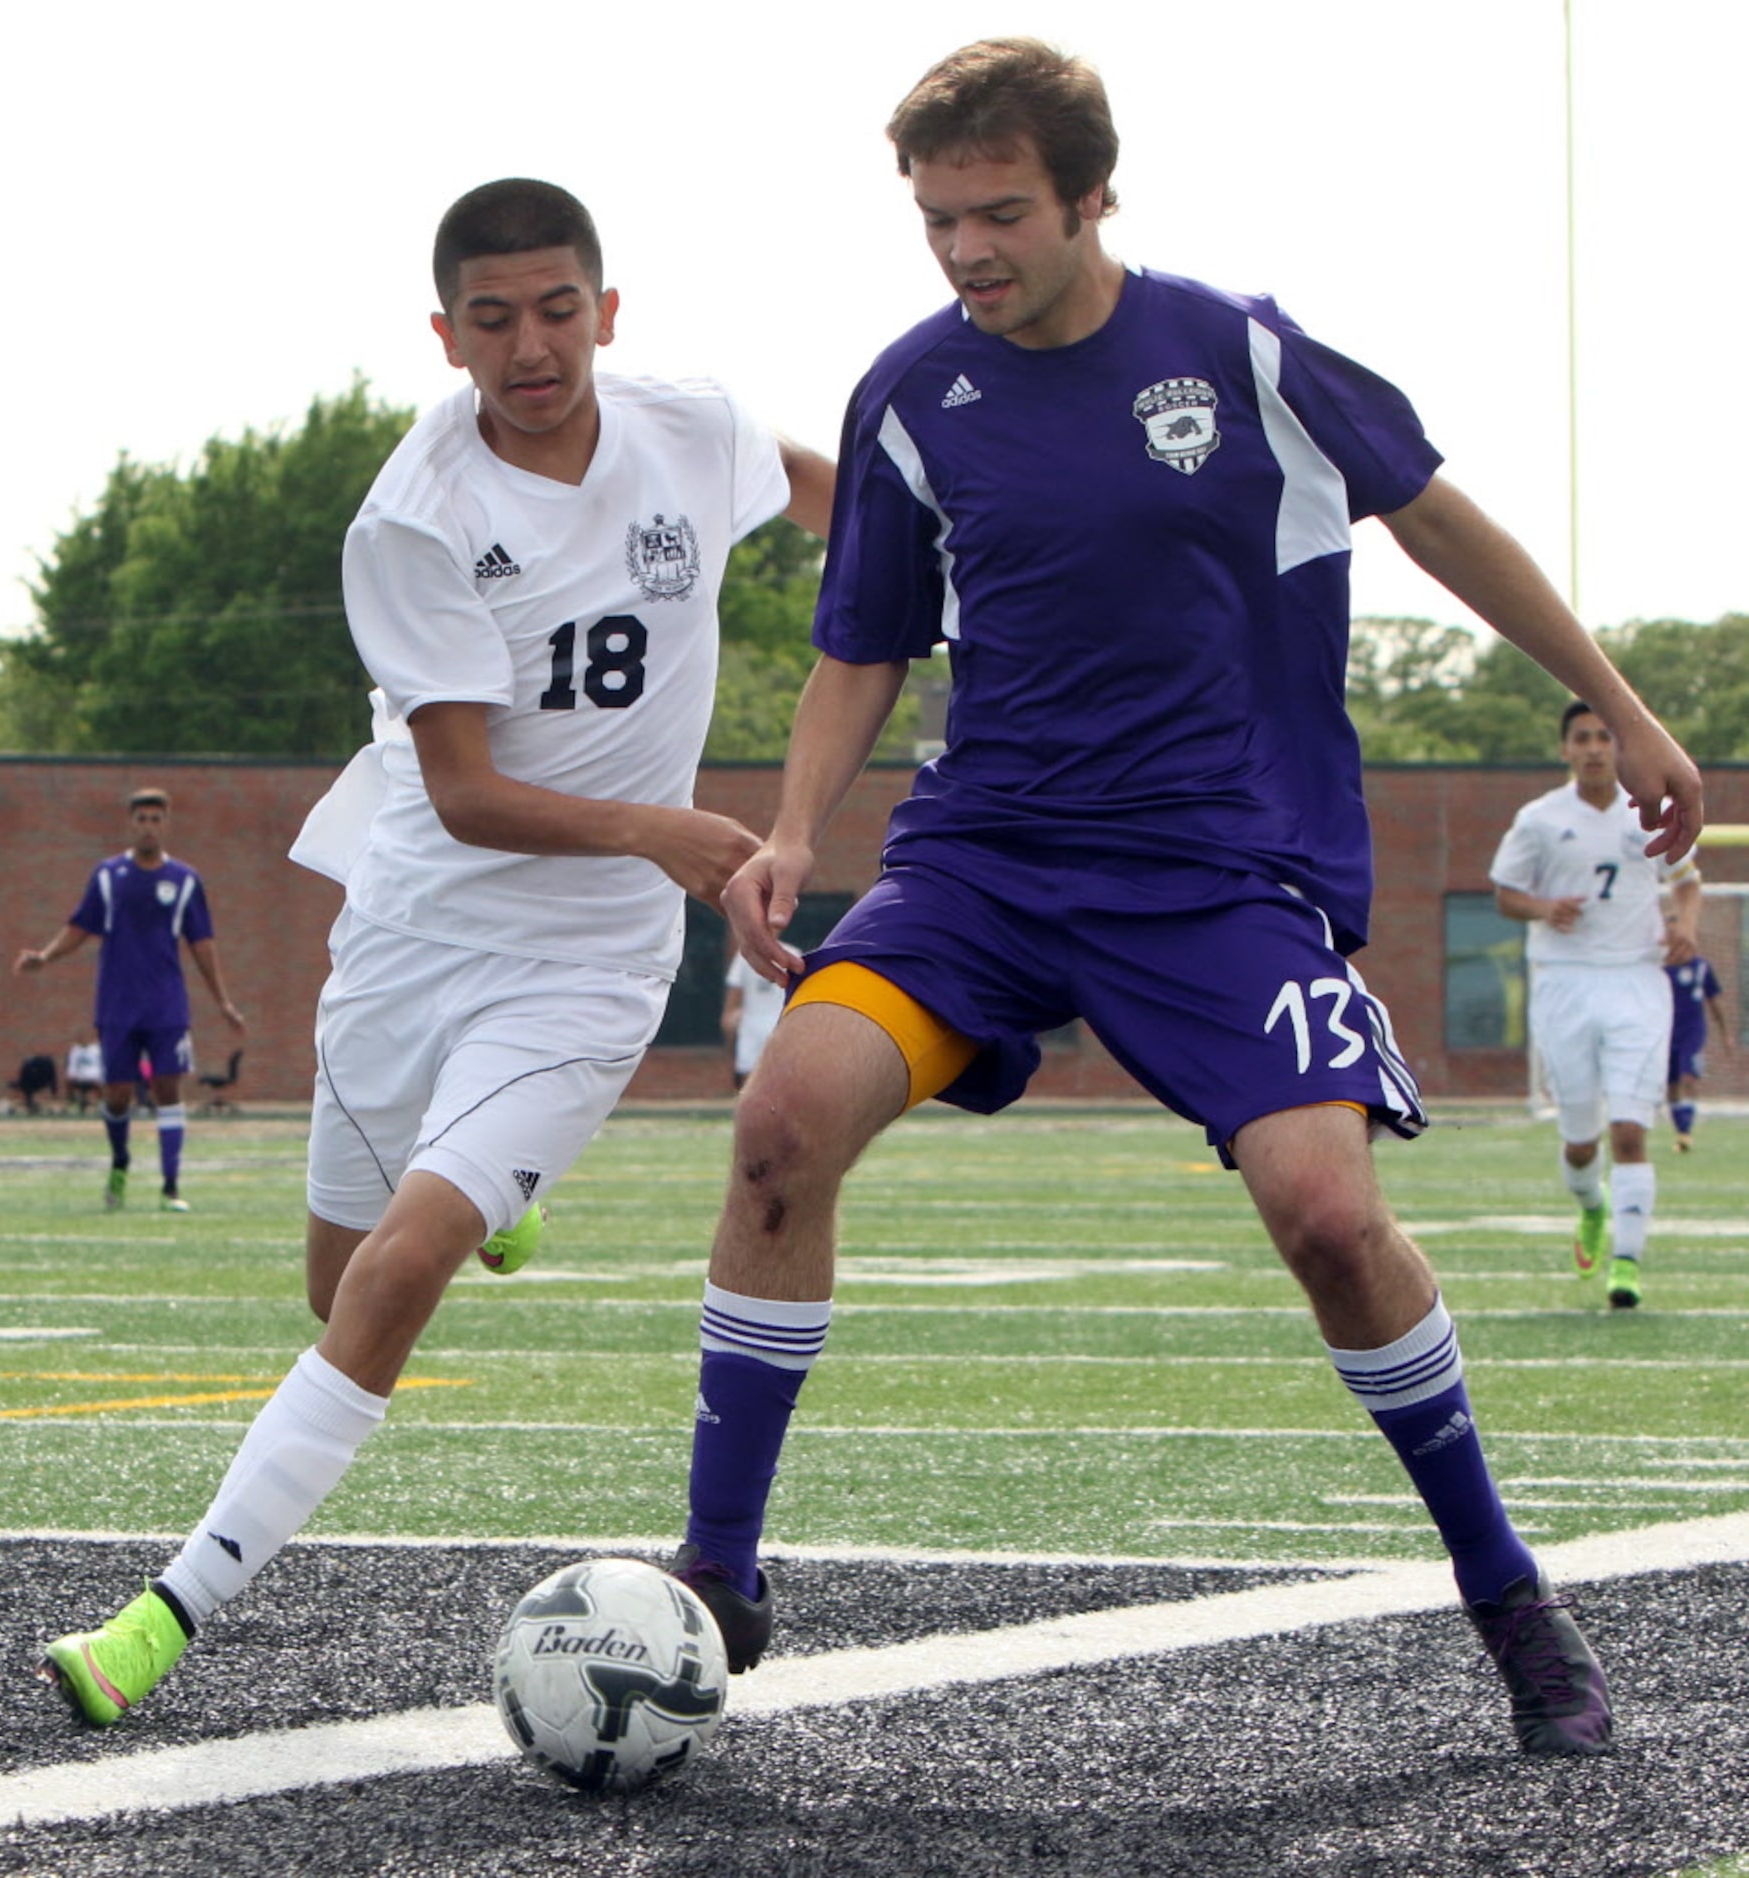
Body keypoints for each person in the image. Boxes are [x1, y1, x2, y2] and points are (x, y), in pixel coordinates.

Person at [666, 39, 1704, 1758]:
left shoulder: (1239, 351)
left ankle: (1506, 1591)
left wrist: (1628, 696)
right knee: (780, 1122)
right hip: (980, 863)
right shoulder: (913, 392)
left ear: (1092, 197)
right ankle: (713, 1571)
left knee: (1326, 1219)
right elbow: (862, 640)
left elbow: (1442, 527)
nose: (963, 251)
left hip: (1218, 871)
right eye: (934, 219)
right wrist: (787, 823)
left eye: (998, 214)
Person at [36, 177, 833, 1729]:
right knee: (339, 1283)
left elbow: (843, 500)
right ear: (445, 334)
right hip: (419, 927)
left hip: (583, 961)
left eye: (556, 311)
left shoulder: (693, 426)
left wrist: (969, 581)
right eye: (492, 319)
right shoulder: (414, 515)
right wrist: (668, 832)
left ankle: (161, 1615)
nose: (529, 347)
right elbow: (466, 794)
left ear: (608, 312)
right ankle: (493, 1196)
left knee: (399, 1271)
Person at [1492, 702, 1701, 1310]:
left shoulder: (1649, 814)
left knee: (1631, 1130)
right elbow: (1506, 894)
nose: (1593, 748)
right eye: (1581, 738)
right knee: (1582, 1141)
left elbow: (1687, 879)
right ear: (1565, 749)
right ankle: (1591, 1205)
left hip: (1636, 979)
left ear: (1619, 747)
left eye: (1604, 737)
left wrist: (1685, 924)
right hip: (1565, 981)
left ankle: (1627, 1265)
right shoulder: (1538, 819)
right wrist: (1542, 907)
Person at [14, 789, 245, 1211]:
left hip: (166, 1006)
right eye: (141, 819)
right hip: (116, 1005)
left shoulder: (185, 881)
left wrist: (223, 1002)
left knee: (167, 1089)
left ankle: (170, 1187)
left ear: (166, 825)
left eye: (156, 819)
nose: (148, 826)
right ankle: (120, 1164)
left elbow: (203, 945)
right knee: (117, 1094)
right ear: (130, 823)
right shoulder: (107, 876)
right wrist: (45, 957)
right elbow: (80, 926)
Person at [1665, 914, 1727, 1152]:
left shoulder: (1701, 967)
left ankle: (1685, 1133)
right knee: (1671, 1084)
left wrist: (1725, 1034)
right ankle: (1680, 1129)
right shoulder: (1660, 967)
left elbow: (1715, 1000)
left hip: (1692, 1032)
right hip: (1667, 1032)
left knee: (1689, 1077)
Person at [721, 949, 784, 1089]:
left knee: (780, 1077)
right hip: (750, 1027)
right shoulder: (743, 957)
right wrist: (729, 1016)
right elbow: (734, 991)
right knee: (748, 1078)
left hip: (780, 1025)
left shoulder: (791, 953)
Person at [63, 1029, 105, 1112]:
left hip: (93, 1077)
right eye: (81, 1038)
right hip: (79, 1078)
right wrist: (72, 1075)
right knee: (68, 1081)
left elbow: (101, 1065)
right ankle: (73, 1103)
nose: (84, 1040)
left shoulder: (96, 1050)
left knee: (100, 1082)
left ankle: (101, 1103)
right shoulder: (75, 1050)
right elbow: (72, 1067)